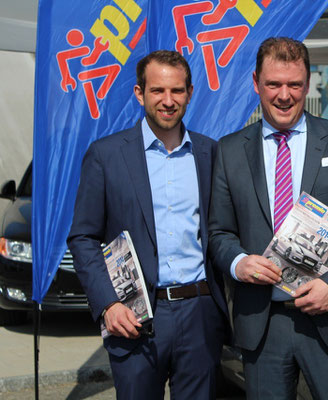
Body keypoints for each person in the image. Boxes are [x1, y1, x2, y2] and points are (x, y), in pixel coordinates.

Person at [208, 37, 328, 399]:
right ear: (256, 83)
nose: (284, 95)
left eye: (295, 85)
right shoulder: (230, 150)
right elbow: (218, 232)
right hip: (262, 324)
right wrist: (238, 263)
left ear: (308, 82)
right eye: (274, 84)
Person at [67, 50, 228, 399]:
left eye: (177, 91)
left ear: (189, 93)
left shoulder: (211, 153)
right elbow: (83, 237)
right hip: (134, 316)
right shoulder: (106, 155)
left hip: (199, 311)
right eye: (157, 91)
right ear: (140, 93)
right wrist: (108, 304)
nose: (168, 101)